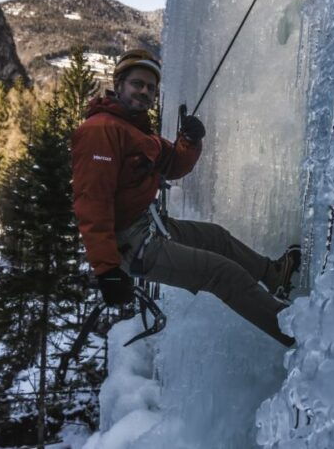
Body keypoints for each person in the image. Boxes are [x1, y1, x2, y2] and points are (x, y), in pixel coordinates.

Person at [71, 49, 298, 347]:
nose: (144, 92)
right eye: (137, 84)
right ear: (120, 84)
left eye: (151, 88)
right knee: (220, 273)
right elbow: (92, 203)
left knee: (216, 238)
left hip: (147, 227)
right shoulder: (101, 130)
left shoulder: (136, 130)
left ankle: (275, 276)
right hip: (128, 244)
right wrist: (107, 271)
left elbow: (174, 165)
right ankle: (296, 332)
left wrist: (190, 141)